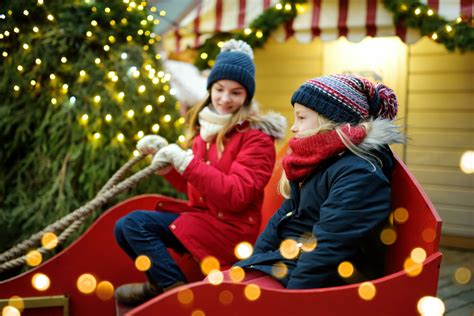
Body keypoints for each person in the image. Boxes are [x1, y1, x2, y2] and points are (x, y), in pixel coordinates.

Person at [113, 39, 286, 305]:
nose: (225, 99)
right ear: (210, 89)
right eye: (220, 89)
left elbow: (236, 195)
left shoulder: (256, 139)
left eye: (236, 92)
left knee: (136, 223)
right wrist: (171, 167)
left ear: (247, 96)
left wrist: (185, 162)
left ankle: (174, 297)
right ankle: (160, 286)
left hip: (232, 231)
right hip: (205, 220)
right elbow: (195, 188)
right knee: (125, 227)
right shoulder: (205, 131)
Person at [234, 74, 405, 289]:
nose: (293, 128)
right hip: (291, 262)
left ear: (330, 120)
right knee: (219, 288)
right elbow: (282, 221)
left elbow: (329, 248)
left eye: (302, 118)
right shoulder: (316, 161)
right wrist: (248, 265)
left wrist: (292, 301)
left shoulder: (360, 175)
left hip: (332, 282)